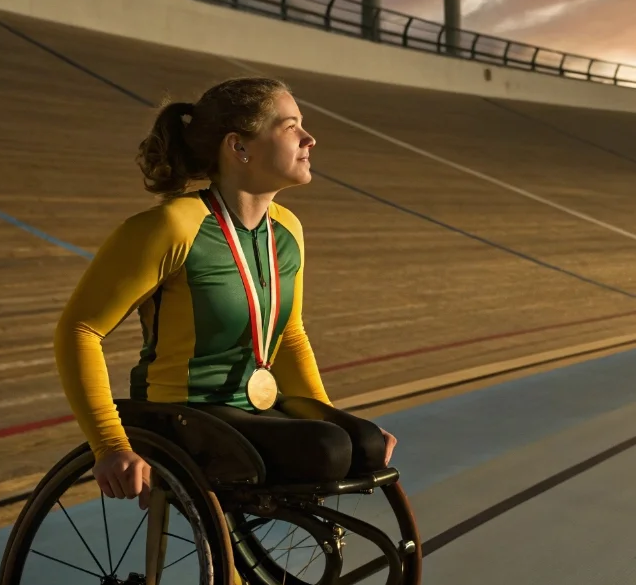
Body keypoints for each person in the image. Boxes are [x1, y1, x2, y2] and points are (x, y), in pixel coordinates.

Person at [53, 76, 396, 512]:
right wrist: (109, 446)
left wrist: (331, 417)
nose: (310, 138)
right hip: (182, 411)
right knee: (329, 450)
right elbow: (79, 330)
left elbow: (288, 336)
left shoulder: (288, 229)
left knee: (360, 443)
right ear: (239, 147)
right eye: (291, 127)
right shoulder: (171, 227)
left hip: (250, 408)